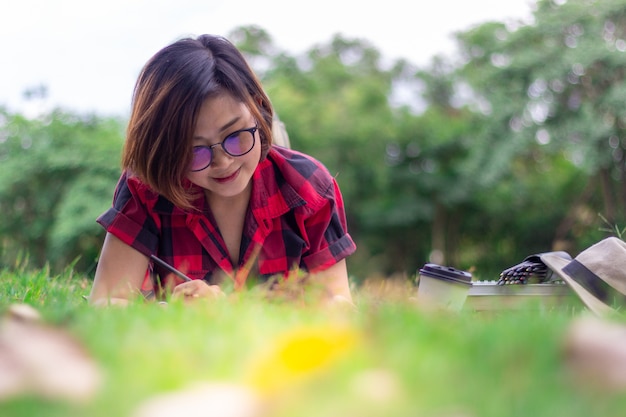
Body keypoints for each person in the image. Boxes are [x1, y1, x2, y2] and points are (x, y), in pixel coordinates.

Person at [89, 34, 356, 306]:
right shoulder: (145, 189)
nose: (223, 161)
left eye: (235, 135)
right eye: (194, 150)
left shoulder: (309, 188)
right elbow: (104, 304)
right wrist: (170, 312)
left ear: (259, 108)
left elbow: (339, 305)